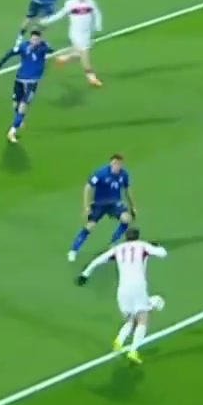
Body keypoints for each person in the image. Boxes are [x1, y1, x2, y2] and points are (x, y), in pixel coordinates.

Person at [75, 227, 168, 364]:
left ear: (126, 237)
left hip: (123, 289)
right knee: (143, 319)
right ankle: (133, 351)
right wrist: (156, 246)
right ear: (137, 236)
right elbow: (163, 254)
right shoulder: (142, 245)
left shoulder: (118, 249)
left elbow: (98, 260)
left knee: (130, 320)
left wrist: (85, 274)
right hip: (138, 286)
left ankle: (119, 341)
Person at [68, 153, 135, 261]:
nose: (117, 166)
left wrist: (133, 205)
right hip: (99, 203)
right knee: (90, 226)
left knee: (126, 219)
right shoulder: (101, 173)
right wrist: (86, 206)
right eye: (115, 163)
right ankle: (73, 250)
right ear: (111, 163)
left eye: (119, 164)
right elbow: (87, 187)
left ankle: (113, 242)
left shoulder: (124, 175)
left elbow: (127, 190)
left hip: (114, 203)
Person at [0, 29, 54, 143]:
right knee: (15, 103)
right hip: (20, 80)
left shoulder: (42, 48)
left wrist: (47, 46)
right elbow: (10, 53)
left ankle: (12, 131)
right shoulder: (23, 47)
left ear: (40, 40)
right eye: (33, 39)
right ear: (30, 38)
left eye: (36, 39)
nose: (34, 41)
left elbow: (51, 51)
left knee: (23, 107)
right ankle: (19, 120)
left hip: (32, 82)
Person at [43, 0, 104, 86]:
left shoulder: (91, 2)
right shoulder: (70, 3)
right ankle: (92, 78)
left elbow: (97, 13)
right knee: (85, 55)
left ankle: (62, 59)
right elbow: (60, 15)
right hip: (76, 34)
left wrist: (98, 25)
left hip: (87, 34)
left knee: (78, 55)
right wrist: (47, 21)